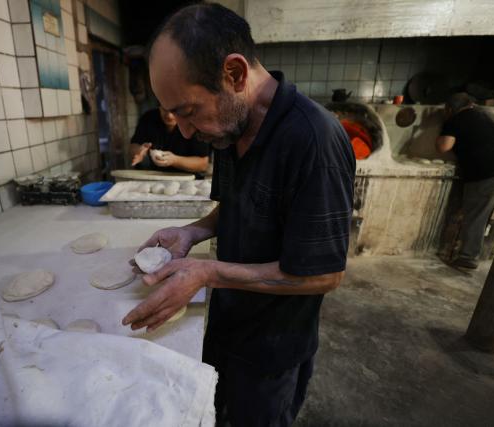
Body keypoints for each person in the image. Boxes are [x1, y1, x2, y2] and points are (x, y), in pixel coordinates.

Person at [121, 4, 355, 426]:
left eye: (189, 112)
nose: (186, 132)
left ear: (235, 74)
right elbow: (236, 203)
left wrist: (207, 273)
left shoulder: (313, 141)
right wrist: (191, 232)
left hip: (271, 351)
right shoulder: (231, 126)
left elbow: (326, 275)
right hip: (225, 325)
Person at [436, 93, 494, 270]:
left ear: (449, 109)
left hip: (487, 173)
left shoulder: (456, 119)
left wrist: (443, 128)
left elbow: (444, 147)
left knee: (477, 214)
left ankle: (468, 257)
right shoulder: (485, 114)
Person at [130, 106, 210, 174]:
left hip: (189, 179)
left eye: (174, 111)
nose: (169, 116)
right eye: (165, 109)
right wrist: (138, 151)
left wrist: (174, 160)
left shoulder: (193, 121)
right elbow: (134, 145)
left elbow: (203, 164)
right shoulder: (148, 118)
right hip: (156, 176)